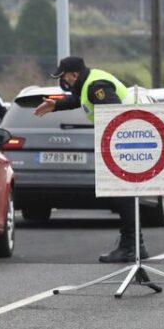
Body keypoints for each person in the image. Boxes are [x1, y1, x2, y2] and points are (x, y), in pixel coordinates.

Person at [35, 56, 147, 263]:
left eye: (64, 77)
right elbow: (79, 100)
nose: (64, 82)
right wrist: (56, 105)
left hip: (126, 141)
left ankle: (131, 246)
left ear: (74, 75)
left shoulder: (96, 86)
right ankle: (135, 245)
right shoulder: (88, 85)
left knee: (123, 194)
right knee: (123, 193)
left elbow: (115, 112)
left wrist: (113, 146)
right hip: (124, 140)